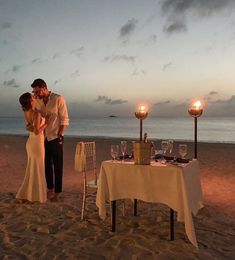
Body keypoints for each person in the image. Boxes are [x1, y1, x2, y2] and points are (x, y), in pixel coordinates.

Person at [30, 78, 69, 202]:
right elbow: (34, 117)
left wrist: (60, 135)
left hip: (55, 137)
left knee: (58, 165)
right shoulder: (37, 101)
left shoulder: (58, 98)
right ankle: (50, 189)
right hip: (42, 138)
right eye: (34, 92)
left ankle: (57, 192)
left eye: (37, 92)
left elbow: (64, 119)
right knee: (46, 165)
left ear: (43, 88)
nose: (35, 94)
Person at [16, 92, 48, 203]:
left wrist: (29, 128)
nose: (34, 97)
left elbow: (29, 127)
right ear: (30, 101)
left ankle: (30, 193)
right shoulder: (36, 113)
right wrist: (46, 123)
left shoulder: (25, 111)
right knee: (38, 168)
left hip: (31, 143)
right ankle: (37, 195)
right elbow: (37, 130)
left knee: (32, 168)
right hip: (36, 144)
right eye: (32, 97)